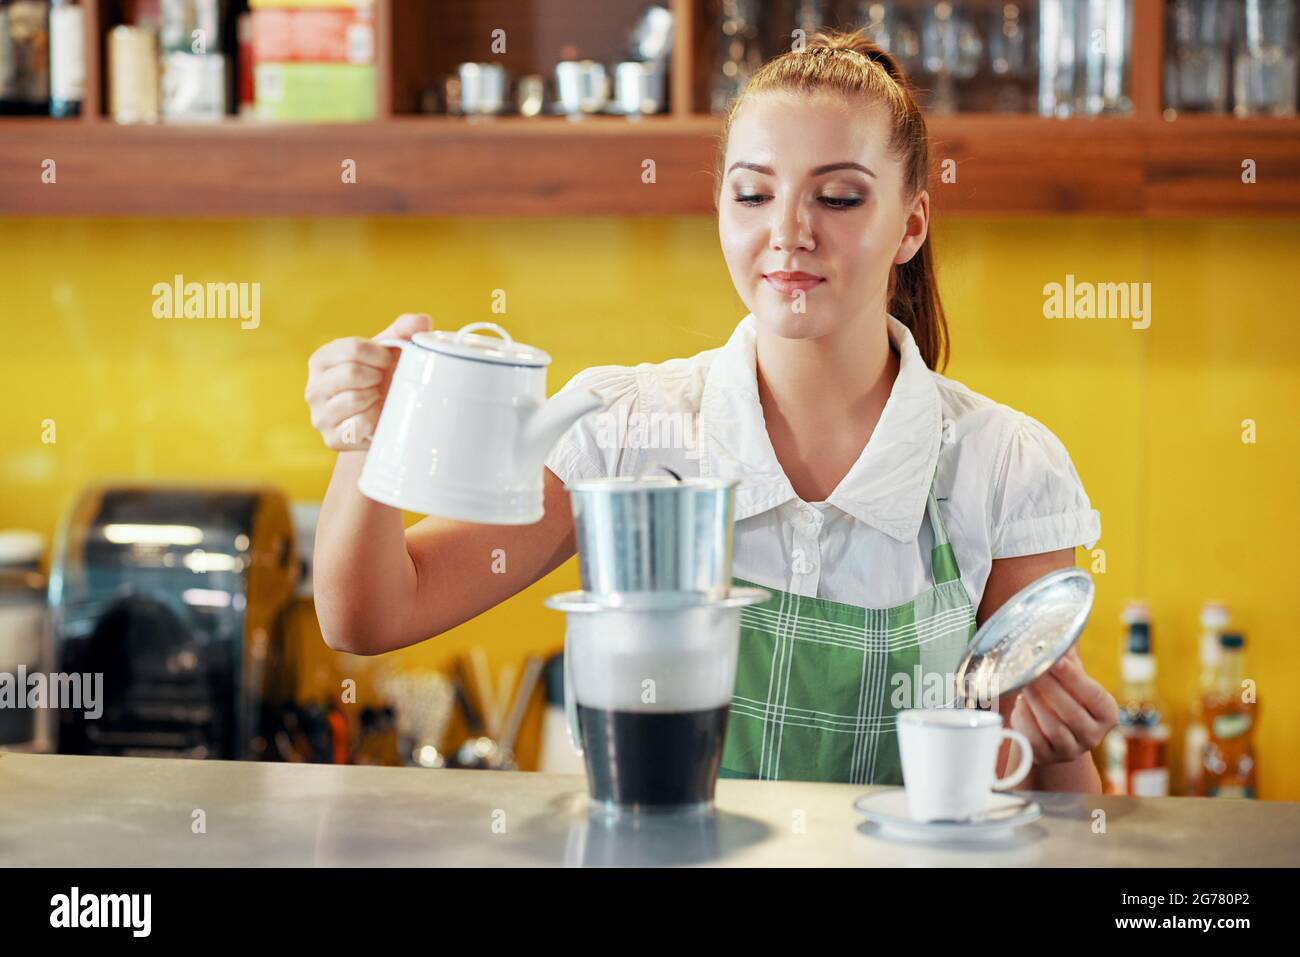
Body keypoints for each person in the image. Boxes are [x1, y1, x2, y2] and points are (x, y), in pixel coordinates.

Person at [304, 29, 1118, 792]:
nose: (788, 232)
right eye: (754, 194)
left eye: (837, 198)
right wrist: (363, 441)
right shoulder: (623, 429)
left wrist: (1063, 742)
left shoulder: (1003, 466)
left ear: (911, 224)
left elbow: (1058, 807)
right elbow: (372, 612)